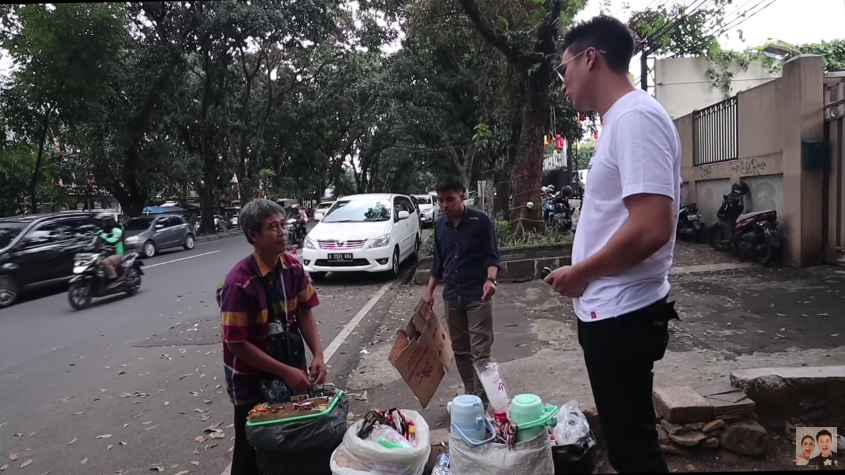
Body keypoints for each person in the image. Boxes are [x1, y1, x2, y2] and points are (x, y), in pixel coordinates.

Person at [544, 15, 682, 473]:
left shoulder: (636, 118)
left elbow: (651, 228)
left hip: (623, 315)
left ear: (590, 58)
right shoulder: (620, 120)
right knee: (624, 442)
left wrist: (580, 273)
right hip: (611, 311)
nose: (563, 83)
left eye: (564, 69)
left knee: (633, 447)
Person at [217, 199, 326, 475]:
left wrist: (318, 355)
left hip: (289, 363)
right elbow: (237, 344)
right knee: (251, 447)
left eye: (282, 225)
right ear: (253, 236)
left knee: (292, 439)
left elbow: (304, 311)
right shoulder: (239, 283)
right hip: (250, 379)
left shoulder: (292, 267)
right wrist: (286, 372)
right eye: (272, 227)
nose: (282, 232)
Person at [424, 178, 502, 410]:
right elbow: (438, 264)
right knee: (461, 351)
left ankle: (482, 402)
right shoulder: (441, 228)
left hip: (478, 296)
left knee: (480, 353)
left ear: (463, 197)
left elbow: (492, 255)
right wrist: (429, 292)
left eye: (450, 199)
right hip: (453, 297)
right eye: (441, 200)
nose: (445, 205)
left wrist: (490, 279)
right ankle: (472, 395)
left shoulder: (481, 221)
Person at [95, 213, 125, 288]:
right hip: (104, 254)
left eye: (103, 222)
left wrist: (103, 236)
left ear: (108, 222)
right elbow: (94, 242)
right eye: (100, 222)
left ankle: (113, 279)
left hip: (117, 254)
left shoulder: (117, 230)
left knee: (105, 262)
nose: (102, 224)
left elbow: (112, 240)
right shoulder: (101, 231)